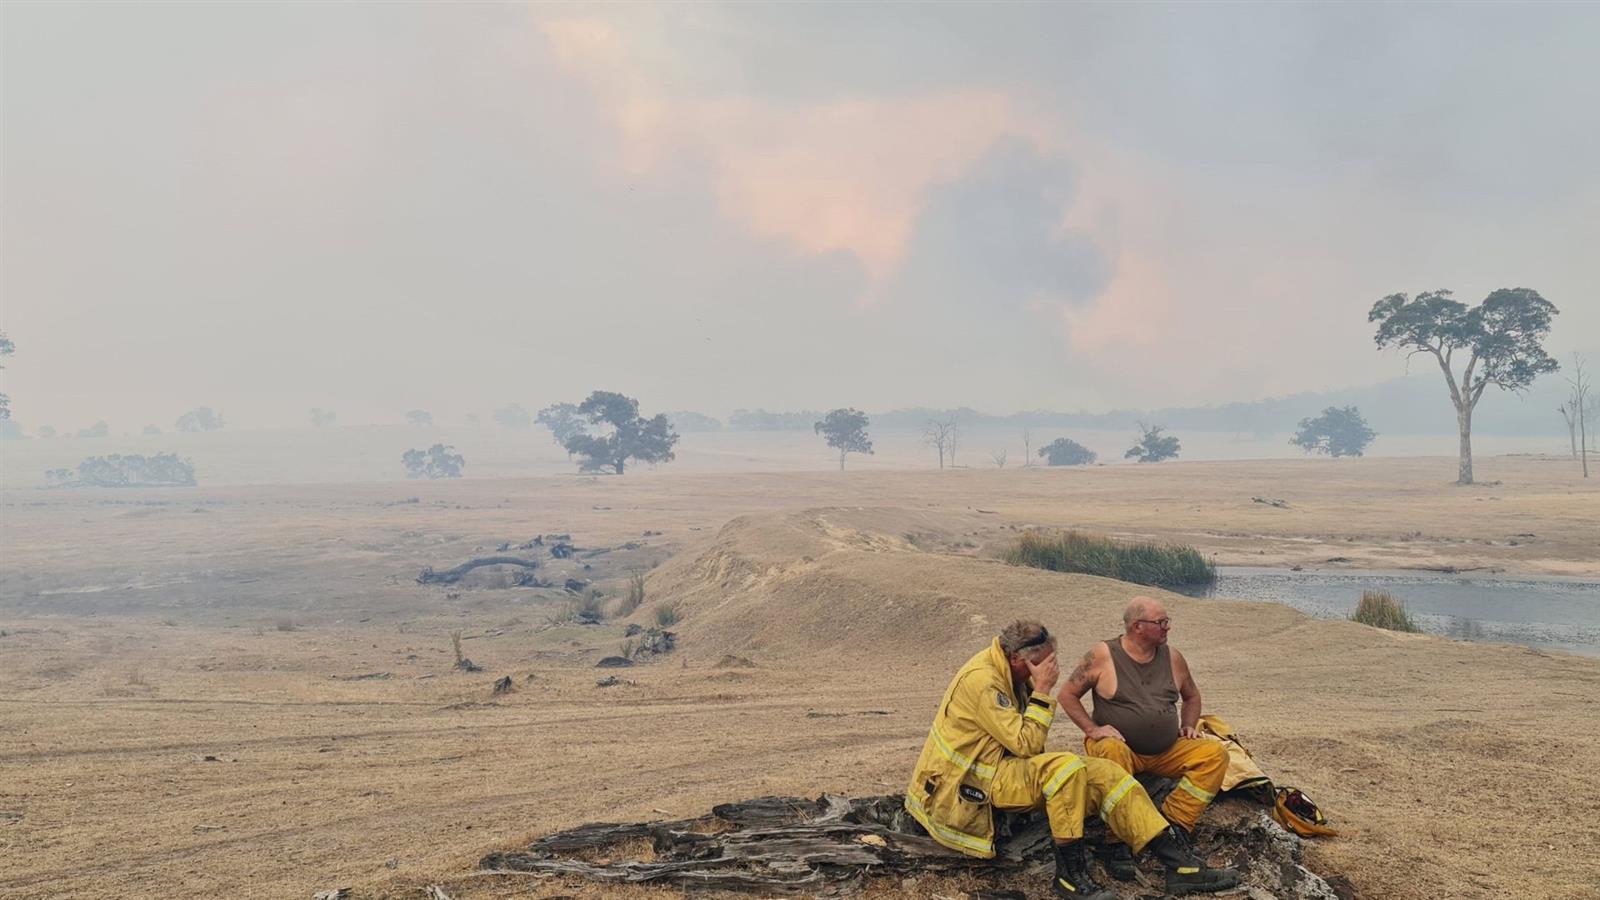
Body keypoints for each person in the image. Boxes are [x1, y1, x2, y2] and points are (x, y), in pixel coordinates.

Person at [907, 619, 1239, 898]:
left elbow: (1028, 750)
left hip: (1001, 767)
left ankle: (1178, 864)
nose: (1053, 668)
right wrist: (1043, 690)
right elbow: (1027, 745)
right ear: (1018, 659)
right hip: (970, 786)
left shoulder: (1008, 672)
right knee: (1064, 770)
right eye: (1046, 662)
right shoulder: (984, 681)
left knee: (1107, 773)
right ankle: (1070, 877)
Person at [1056, 596, 1229, 881]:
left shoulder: (1173, 657)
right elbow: (1067, 695)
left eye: (1167, 621)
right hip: (1120, 748)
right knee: (1111, 751)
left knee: (1215, 755)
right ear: (1138, 626)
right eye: (1161, 622)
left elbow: (1192, 695)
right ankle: (1116, 842)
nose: (1167, 627)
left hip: (1166, 750)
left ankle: (1175, 826)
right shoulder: (1103, 655)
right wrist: (1092, 729)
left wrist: (1188, 724)